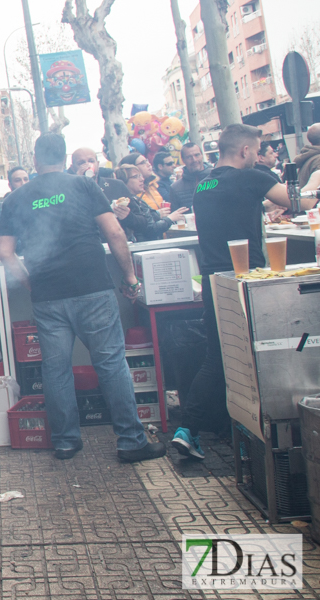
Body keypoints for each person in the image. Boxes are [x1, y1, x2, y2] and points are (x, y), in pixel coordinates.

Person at [0, 133, 166, 463]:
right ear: (64, 157)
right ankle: (131, 442)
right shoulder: (84, 186)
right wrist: (130, 276)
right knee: (111, 364)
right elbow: (114, 232)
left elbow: (5, 252)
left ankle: (64, 442)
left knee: (56, 370)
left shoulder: (16, 198)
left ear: (34, 160)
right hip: (92, 288)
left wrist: (30, 283)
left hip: (47, 294)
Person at [171, 124, 317, 460]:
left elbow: (237, 209)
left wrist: (263, 210)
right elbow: (297, 202)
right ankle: (256, 439)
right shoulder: (253, 177)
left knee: (220, 357)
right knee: (258, 358)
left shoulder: (204, 184)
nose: (258, 154)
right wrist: (315, 180)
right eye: (257, 148)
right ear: (245, 151)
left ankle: (191, 429)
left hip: (213, 281)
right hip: (247, 281)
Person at [113, 165, 187, 242]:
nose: (142, 179)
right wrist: (170, 219)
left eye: (140, 176)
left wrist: (158, 214)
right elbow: (151, 230)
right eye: (135, 176)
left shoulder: (138, 200)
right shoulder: (126, 204)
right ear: (123, 182)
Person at [170, 142, 211, 211]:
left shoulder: (217, 177)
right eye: (189, 157)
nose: (194, 160)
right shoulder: (175, 188)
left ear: (202, 156)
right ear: (183, 160)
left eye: (197, 155)